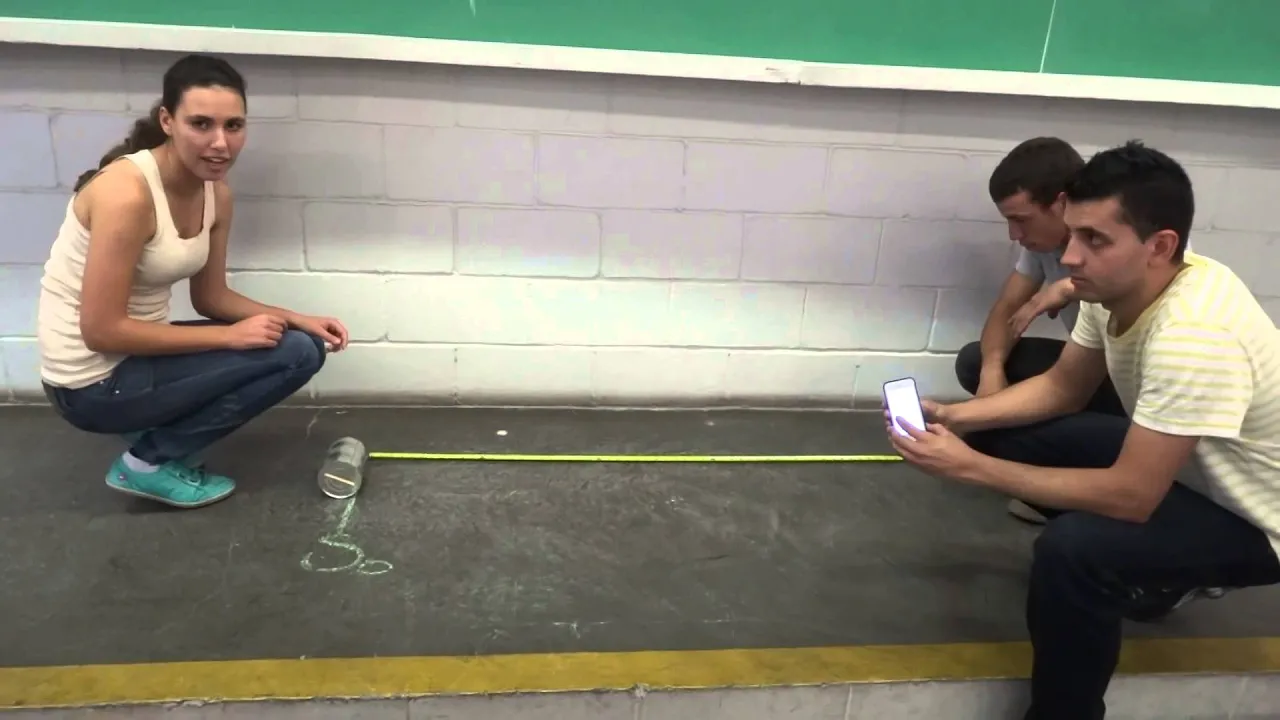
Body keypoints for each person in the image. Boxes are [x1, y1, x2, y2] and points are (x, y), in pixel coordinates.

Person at [886, 140, 1280, 720]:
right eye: (1072, 234)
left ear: (1159, 245)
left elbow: (1131, 496)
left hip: (1255, 521)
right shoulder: (1114, 286)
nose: (1070, 258)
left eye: (1094, 239)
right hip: (1187, 474)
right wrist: (954, 418)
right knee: (993, 432)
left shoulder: (1195, 335)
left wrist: (974, 470)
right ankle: (1148, 573)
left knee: (1074, 551)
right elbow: (1062, 389)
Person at [36, 53, 349, 509]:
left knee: (301, 340)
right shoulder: (125, 194)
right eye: (201, 124)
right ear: (167, 120)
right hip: (88, 385)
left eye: (233, 126)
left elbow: (211, 297)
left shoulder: (215, 193)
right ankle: (145, 463)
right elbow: (101, 331)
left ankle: (150, 429)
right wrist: (230, 337)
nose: (220, 143)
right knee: (295, 354)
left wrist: (297, 317)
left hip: (134, 357)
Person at [959, 137, 1127, 525]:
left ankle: (1082, 489)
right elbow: (1006, 310)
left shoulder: (1131, 247)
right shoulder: (1043, 245)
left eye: (1021, 219)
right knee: (976, 362)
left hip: (1137, 394)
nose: (1014, 234)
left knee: (989, 434)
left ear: (1062, 203)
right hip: (1089, 370)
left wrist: (1068, 287)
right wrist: (991, 376)